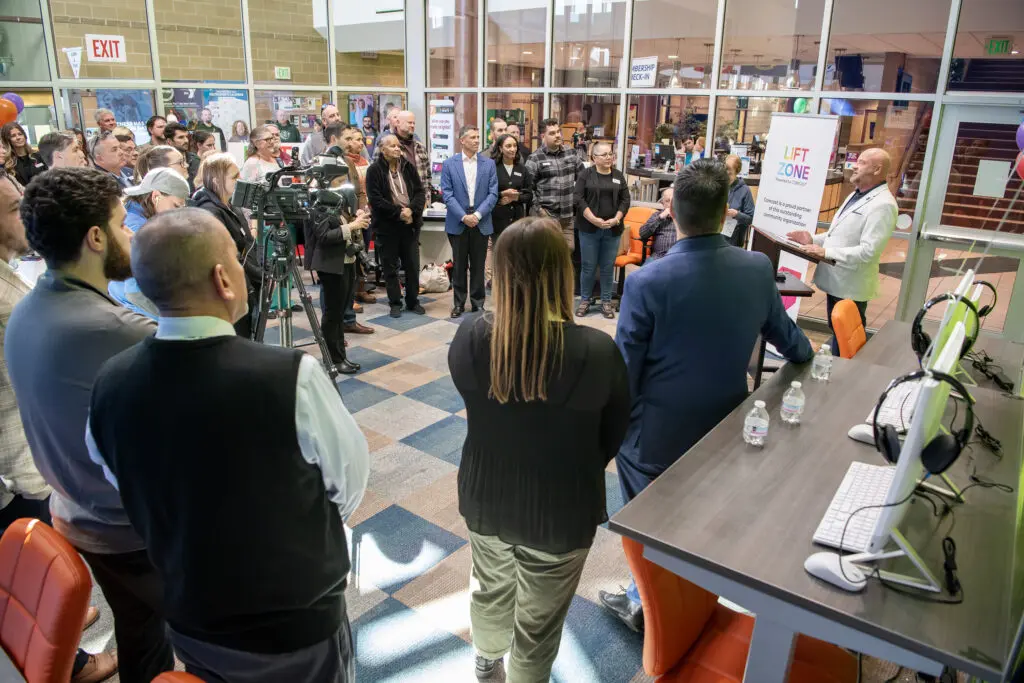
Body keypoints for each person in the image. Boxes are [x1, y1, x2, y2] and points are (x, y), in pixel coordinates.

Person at [85, 207, 369, 683]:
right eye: (239, 259)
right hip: (294, 619)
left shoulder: (109, 382)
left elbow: (119, 477)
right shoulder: (290, 376)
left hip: (190, 611)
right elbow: (349, 484)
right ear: (223, 278)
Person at [599, 160, 814, 631]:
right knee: (702, 513)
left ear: (672, 210)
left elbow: (625, 372)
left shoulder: (645, 280)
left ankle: (648, 605)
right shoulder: (757, 268)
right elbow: (793, 344)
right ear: (725, 214)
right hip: (727, 425)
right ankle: (687, 596)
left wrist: (613, 434)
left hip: (656, 437)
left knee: (650, 523)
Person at [4, 167, 174, 682]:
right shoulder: (119, 329)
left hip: (78, 512)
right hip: (129, 530)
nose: (131, 235)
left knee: (141, 630)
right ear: (95, 237)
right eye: (124, 224)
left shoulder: (28, 306)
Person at [449, 216, 630, 683]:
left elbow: (475, 402)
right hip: (562, 509)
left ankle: (486, 661)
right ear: (563, 272)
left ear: (499, 272)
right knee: (539, 620)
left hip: (486, 497)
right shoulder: (595, 350)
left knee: (489, 588)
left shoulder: (469, 335)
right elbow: (613, 435)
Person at [0, 177, 120, 683]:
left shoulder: (14, 282)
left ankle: (55, 618)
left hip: (31, 449)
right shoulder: (11, 300)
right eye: (11, 208)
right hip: (17, 464)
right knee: (31, 560)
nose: (22, 217)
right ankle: (65, 658)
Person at [786, 148, 897, 355]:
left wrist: (825, 252)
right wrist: (813, 239)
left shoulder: (883, 205)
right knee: (837, 333)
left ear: (877, 169)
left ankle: (841, 377)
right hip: (838, 282)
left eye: (861, 162)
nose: (854, 165)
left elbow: (869, 251)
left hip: (851, 286)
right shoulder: (857, 195)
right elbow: (840, 234)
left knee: (847, 340)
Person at [304, 141, 369, 374]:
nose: (344, 184)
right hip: (331, 263)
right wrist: (353, 226)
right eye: (340, 180)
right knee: (332, 314)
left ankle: (340, 355)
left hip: (346, 261)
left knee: (341, 311)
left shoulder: (337, 200)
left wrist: (355, 221)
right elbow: (323, 236)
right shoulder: (317, 202)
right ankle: (332, 358)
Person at [192, 153, 262, 338]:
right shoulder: (209, 210)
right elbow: (223, 252)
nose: (240, 180)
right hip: (230, 287)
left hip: (245, 280)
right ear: (216, 180)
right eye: (234, 177)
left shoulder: (230, 205)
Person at [107, 167, 191, 320]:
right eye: (176, 206)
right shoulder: (137, 229)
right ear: (156, 196)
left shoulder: (141, 218)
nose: (178, 213)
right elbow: (136, 294)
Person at [441, 126, 498, 318]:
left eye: (478, 137)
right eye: (472, 137)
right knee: (458, 266)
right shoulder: (449, 164)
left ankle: (477, 303)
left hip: (481, 220)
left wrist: (478, 215)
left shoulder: (488, 164)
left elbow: (493, 194)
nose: (477, 140)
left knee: (478, 265)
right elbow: (447, 194)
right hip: (458, 222)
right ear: (462, 140)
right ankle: (458, 303)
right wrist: (464, 217)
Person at [367, 134, 425, 319]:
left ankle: (413, 301)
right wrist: (399, 212)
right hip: (387, 226)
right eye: (392, 146)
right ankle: (395, 302)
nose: (397, 149)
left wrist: (411, 211)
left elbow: (419, 192)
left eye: (398, 146)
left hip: (409, 225)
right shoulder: (374, 170)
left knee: (412, 266)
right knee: (390, 268)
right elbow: (376, 200)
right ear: (383, 150)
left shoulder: (408, 167)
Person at [574, 141, 630, 319]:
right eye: (604, 155)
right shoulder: (585, 175)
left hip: (613, 229)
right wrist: (593, 219)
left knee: (607, 267)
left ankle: (606, 302)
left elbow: (625, 200)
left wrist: (617, 218)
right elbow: (578, 199)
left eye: (610, 154)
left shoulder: (618, 176)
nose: (609, 158)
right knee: (588, 266)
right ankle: (585, 300)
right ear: (594, 158)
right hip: (589, 228)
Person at [336, 124, 378, 325]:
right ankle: (344, 311)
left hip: (358, 216)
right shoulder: (327, 162)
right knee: (342, 268)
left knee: (358, 258)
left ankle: (354, 301)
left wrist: (360, 209)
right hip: (338, 223)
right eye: (351, 138)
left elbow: (360, 191)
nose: (357, 143)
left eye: (360, 139)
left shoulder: (354, 163)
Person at [526, 118, 584, 257]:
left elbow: (583, 179)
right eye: (552, 133)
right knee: (545, 254)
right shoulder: (535, 158)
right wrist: (540, 210)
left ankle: (560, 279)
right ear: (543, 136)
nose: (558, 135)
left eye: (558, 131)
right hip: (545, 217)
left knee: (568, 250)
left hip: (567, 217)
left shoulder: (571, 153)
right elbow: (528, 189)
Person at [489, 133, 532, 242]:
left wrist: (516, 198)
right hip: (497, 222)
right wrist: (501, 195)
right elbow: (485, 193)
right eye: (508, 146)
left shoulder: (522, 169)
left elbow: (529, 195)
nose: (512, 149)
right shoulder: (492, 168)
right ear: (500, 148)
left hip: (517, 221)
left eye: (514, 146)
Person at [374, 110, 430, 190]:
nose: (412, 125)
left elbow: (427, 175)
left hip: (419, 197)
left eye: (414, 123)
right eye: (409, 123)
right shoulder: (385, 144)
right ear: (398, 122)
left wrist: (426, 197)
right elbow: (375, 174)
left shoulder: (419, 147)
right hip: (396, 196)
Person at [724, 154, 755, 248]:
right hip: (717, 237)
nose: (726, 175)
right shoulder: (719, 185)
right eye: (724, 171)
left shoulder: (745, 190)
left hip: (733, 241)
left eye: (730, 173)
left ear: (737, 172)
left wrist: (736, 214)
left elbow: (751, 218)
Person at [638, 188, 677, 261]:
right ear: (663, 203)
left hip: (678, 257)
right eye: (668, 201)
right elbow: (642, 234)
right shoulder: (657, 215)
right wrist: (660, 218)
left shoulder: (684, 217)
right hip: (658, 257)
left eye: (674, 200)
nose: (672, 204)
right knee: (644, 271)